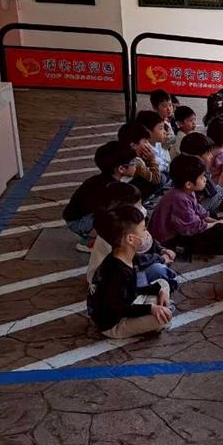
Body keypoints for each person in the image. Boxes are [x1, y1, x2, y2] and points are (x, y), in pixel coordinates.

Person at [87, 205, 174, 339]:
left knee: (163, 284)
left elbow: (134, 288)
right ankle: (158, 311)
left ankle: (160, 305)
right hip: (114, 323)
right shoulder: (118, 272)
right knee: (162, 319)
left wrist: (159, 290)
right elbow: (118, 307)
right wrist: (151, 308)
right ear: (131, 239)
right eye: (143, 229)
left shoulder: (126, 257)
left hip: (128, 302)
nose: (146, 234)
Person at [85, 181, 178, 291]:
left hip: (129, 271)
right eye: (138, 205)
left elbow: (147, 239)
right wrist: (161, 259)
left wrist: (162, 250)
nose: (143, 209)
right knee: (158, 270)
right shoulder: (114, 235)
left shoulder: (128, 225)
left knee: (159, 268)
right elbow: (136, 259)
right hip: (108, 282)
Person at [149, 154, 223, 256]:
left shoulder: (187, 191)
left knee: (216, 219)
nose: (205, 179)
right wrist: (216, 224)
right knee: (219, 232)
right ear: (188, 184)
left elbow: (199, 211)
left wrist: (216, 221)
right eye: (201, 177)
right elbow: (193, 227)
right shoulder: (179, 198)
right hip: (168, 240)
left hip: (183, 227)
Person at [62, 140, 137, 252]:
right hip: (79, 221)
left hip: (86, 217)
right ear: (121, 169)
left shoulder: (108, 180)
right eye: (133, 163)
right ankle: (89, 242)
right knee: (120, 220)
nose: (136, 165)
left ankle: (96, 237)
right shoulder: (107, 188)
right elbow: (106, 213)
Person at [178, 132, 223, 215]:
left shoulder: (183, 166)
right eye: (208, 153)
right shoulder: (192, 175)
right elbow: (211, 193)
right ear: (196, 157)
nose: (211, 156)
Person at [118, 121, 165, 202]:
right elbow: (156, 179)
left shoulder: (122, 153)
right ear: (133, 145)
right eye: (145, 141)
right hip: (127, 193)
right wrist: (152, 159)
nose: (149, 145)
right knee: (161, 178)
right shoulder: (136, 161)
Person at [136, 110, 172, 176]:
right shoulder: (146, 149)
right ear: (148, 132)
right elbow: (160, 168)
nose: (164, 132)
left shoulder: (158, 143)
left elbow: (166, 161)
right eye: (161, 128)